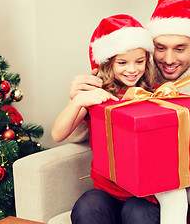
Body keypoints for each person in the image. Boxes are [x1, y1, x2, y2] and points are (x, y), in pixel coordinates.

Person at [67, 0, 190, 224]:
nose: (169, 59)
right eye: (160, 48)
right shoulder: (135, 80)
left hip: (157, 194)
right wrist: (77, 99)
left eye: (180, 48)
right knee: (89, 206)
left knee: (143, 210)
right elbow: (75, 135)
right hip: (115, 187)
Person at [52, 14, 158, 224]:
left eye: (139, 61)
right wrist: (78, 101)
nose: (132, 69)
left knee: (138, 213)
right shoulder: (96, 94)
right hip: (106, 190)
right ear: (108, 63)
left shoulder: (154, 94)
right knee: (87, 207)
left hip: (146, 193)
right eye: (122, 62)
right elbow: (57, 134)